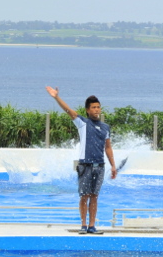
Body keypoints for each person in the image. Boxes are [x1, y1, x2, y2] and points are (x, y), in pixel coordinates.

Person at [46, 86, 117, 235]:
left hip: (100, 166)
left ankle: (92, 226)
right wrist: (56, 97)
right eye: (93, 107)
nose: (97, 110)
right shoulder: (83, 123)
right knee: (84, 196)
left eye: (98, 107)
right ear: (87, 110)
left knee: (94, 196)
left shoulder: (105, 127)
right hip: (85, 166)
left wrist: (113, 166)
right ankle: (84, 225)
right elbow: (68, 111)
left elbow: (108, 147)